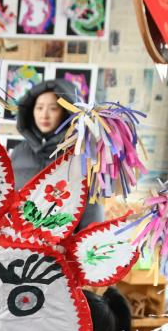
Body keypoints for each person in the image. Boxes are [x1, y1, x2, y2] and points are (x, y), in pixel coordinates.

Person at [11, 79, 104, 230]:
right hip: (17, 241)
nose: (44, 115)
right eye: (39, 108)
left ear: (67, 112)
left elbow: (92, 216)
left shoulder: (80, 156)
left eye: (53, 108)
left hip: (61, 242)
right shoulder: (19, 152)